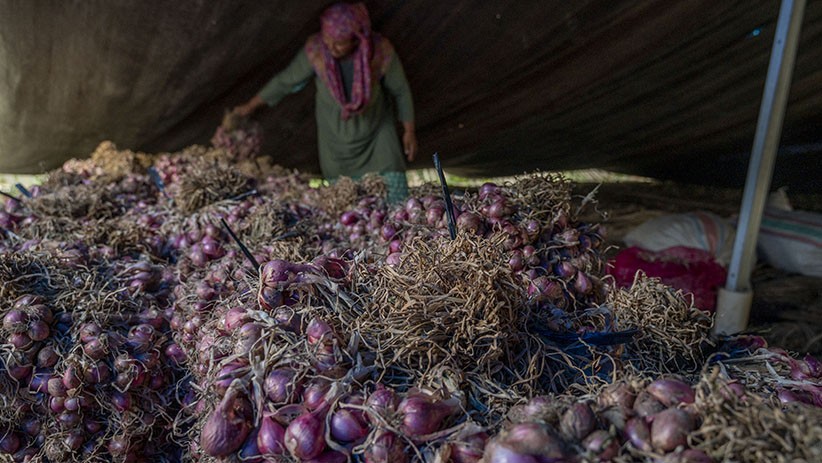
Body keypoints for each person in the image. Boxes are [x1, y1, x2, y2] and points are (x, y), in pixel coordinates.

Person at [233, 2, 417, 203]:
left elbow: (400, 90)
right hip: (336, 147)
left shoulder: (380, 51)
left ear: (357, 39)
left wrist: (409, 130)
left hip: (377, 137)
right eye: (327, 40)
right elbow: (285, 81)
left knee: (394, 201)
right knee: (350, 209)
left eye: (339, 43)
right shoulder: (316, 51)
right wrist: (250, 106)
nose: (331, 47)